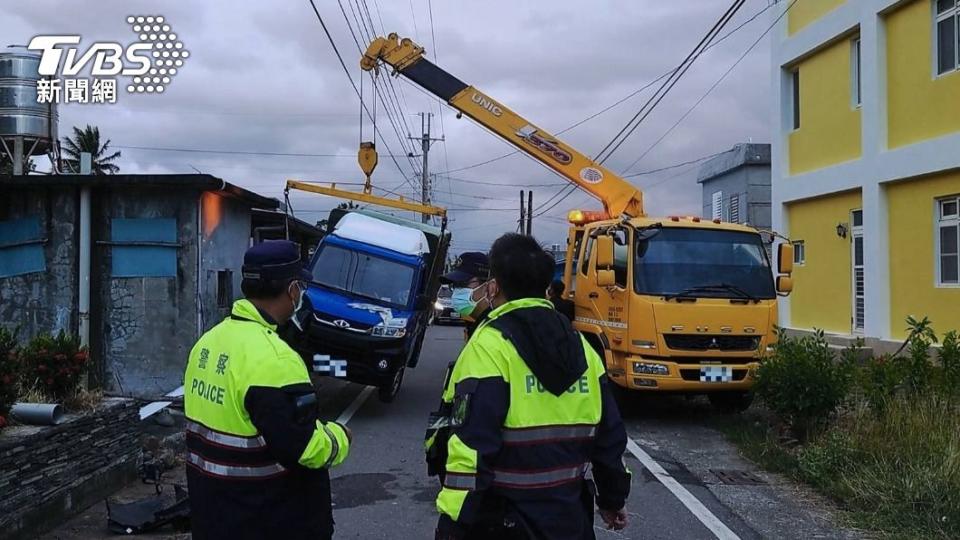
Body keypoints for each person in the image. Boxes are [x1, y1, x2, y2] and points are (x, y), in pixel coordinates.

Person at [427, 234, 631, 539]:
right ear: (546, 288)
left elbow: (470, 447)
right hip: (570, 520)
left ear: (494, 286)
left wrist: (454, 523)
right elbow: (610, 437)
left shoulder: (489, 346)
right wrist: (613, 499)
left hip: (501, 521)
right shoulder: (583, 349)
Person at [183, 240, 351, 540]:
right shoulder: (275, 359)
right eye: (301, 286)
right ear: (291, 289)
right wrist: (339, 437)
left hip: (211, 515)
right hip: (266, 518)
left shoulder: (206, 343)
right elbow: (305, 449)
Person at [440, 252, 492, 340]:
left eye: (463, 283)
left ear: (487, 286)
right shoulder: (473, 323)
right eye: (455, 285)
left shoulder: (496, 331)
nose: (457, 291)